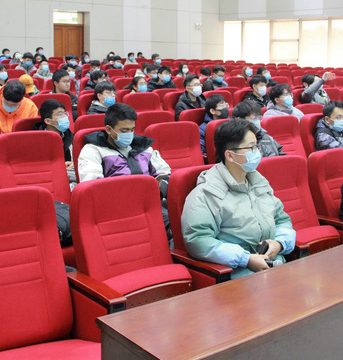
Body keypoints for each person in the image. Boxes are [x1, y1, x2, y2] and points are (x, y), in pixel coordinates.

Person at [181, 119, 295, 279]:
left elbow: (282, 219)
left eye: (256, 146)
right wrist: (245, 259)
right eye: (250, 148)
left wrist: (280, 243)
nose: (257, 152)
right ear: (230, 155)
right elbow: (198, 239)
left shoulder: (258, 183)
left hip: (274, 266)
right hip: (239, 274)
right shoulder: (206, 194)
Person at [77, 103, 172, 237]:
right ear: (109, 130)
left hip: (151, 201)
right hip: (117, 207)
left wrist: (158, 190)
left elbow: (165, 173)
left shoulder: (143, 146)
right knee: (171, 224)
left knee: (182, 216)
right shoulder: (93, 150)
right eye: (124, 131)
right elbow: (92, 186)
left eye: (132, 130)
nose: (129, 134)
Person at [37, 99, 76, 183]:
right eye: (60, 114)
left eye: (65, 113)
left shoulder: (70, 136)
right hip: (48, 177)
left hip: (70, 174)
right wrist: (59, 165)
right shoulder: (37, 141)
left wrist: (74, 163)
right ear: (48, 121)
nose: (65, 117)